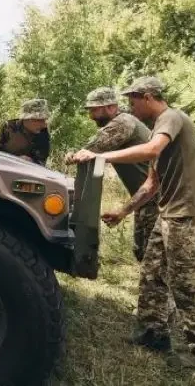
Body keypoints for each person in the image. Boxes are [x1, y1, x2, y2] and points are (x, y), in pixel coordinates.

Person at [70, 76, 195, 368]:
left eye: (133, 100)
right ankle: (154, 333)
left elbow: (150, 151)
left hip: (188, 213)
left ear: (149, 97)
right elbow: (151, 184)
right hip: (168, 213)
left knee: (186, 283)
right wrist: (124, 211)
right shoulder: (157, 131)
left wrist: (100, 156)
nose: (130, 106)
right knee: (151, 272)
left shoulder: (171, 118)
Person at [65, 86, 159, 262]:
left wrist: (73, 155)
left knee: (153, 255)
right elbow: (90, 149)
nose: (91, 116)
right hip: (146, 198)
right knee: (144, 252)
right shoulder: (121, 121)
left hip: (155, 198)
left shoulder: (122, 123)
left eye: (95, 110)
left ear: (111, 107)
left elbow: (92, 149)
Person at [0, 98, 51, 165]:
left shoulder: (43, 134)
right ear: (27, 119)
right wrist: (14, 160)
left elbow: (41, 162)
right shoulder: (4, 128)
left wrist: (31, 161)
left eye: (45, 120)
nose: (44, 125)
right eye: (40, 120)